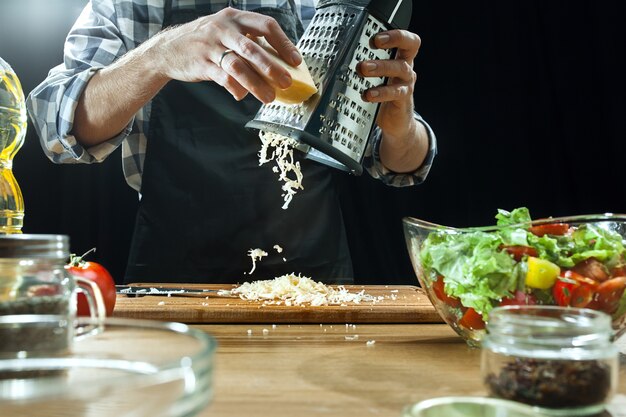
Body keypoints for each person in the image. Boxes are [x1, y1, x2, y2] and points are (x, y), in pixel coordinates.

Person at [27, 0, 437, 285]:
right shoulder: (132, 7)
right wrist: (160, 56)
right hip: (173, 273)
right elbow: (56, 126)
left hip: (310, 277)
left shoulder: (328, 8)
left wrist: (400, 126)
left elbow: (401, 164)